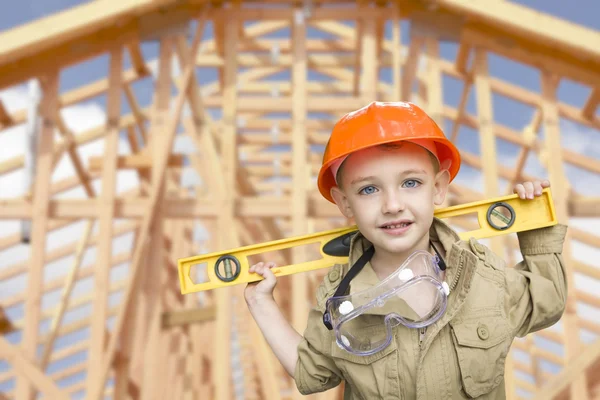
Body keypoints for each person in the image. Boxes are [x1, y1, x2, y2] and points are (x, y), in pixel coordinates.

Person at [244, 101, 567, 399]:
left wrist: (535, 226)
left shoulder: (481, 275)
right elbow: (312, 376)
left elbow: (547, 302)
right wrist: (261, 303)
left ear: (438, 188)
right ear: (345, 203)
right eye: (369, 189)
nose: (393, 205)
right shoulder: (340, 299)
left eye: (410, 183)